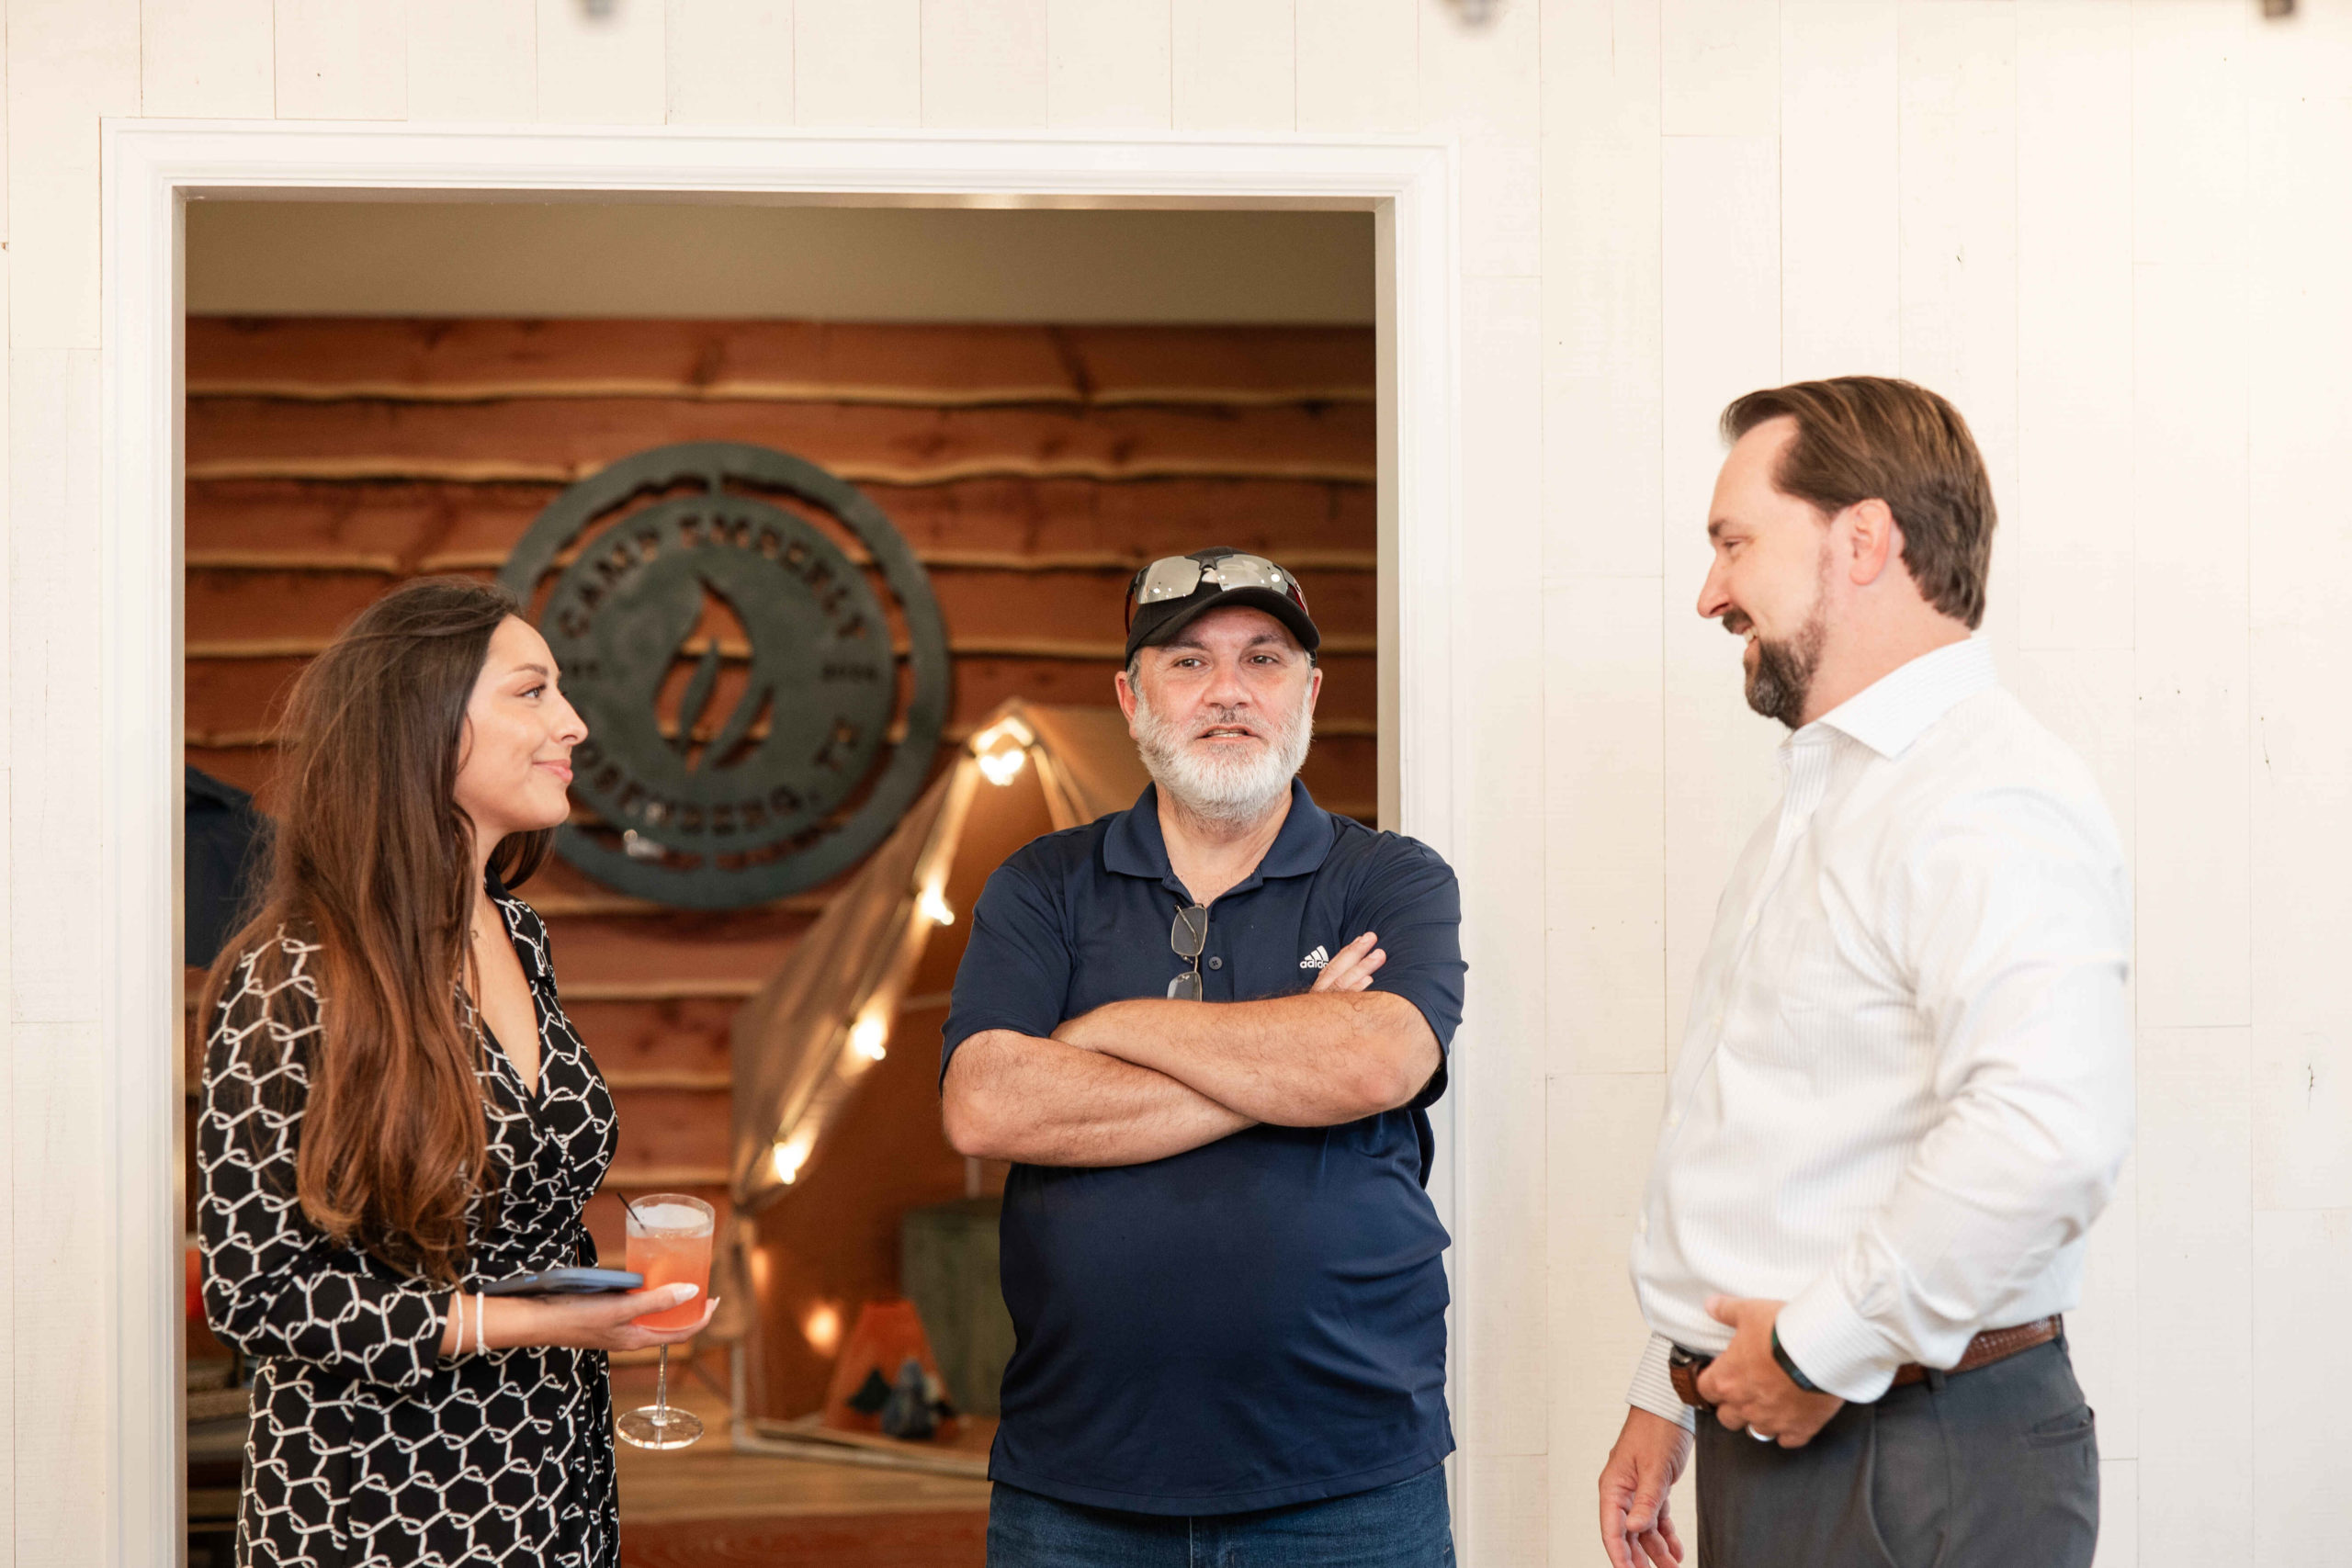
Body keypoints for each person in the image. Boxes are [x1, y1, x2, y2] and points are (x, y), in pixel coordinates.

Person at [1595, 378, 2132, 1568]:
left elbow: (2045, 1131)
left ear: (1864, 537)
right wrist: (1672, 1379)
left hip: (1913, 1450)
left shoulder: (1986, 792)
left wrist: (1810, 1350)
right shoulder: (1838, 790)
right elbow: (1782, 1132)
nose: (1710, 591)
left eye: (1734, 542)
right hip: (1813, 1431)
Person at [941, 548, 1465, 1566]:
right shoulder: (1042, 884)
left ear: (1308, 693)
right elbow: (988, 1105)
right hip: (1077, 1488)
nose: (1228, 691)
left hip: (1347, 1484)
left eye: (1263, 660)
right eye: (1186, 663)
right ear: (1131, 699)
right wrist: (1287, 1053)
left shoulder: (1391, 880)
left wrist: (1100, 1029)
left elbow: (1373, 1068)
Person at [198, 579, 716, 1567]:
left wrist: (603, 1297)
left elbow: (516, 1205)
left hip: (555, 1475)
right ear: (425, 725)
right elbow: (254, 1290)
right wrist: (529, 1323)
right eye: (532, 692)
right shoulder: (294, 971)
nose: (573, 723)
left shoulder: (519, 931)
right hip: (377, 1504)